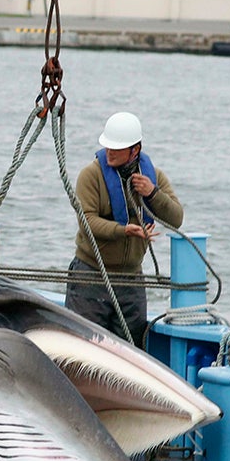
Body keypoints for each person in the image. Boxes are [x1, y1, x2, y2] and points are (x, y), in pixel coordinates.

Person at [64, 112, 184, 348]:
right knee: (82, 348)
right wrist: (123, 230)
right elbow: (87, 221)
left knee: (131, 350)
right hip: (91, 275)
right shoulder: (91, 175)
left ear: (135, 150)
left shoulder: (154, 176)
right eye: (107, 146)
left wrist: (152, 193)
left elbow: (176, 218)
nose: (110, 151)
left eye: (117, 148)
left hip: (131, 280)